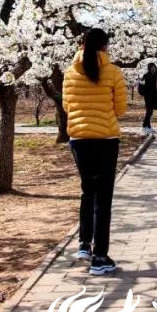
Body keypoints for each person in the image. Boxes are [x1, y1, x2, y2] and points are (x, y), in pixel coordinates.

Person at [62, 28, 127, 275]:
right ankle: (100, 257)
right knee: (103, 198)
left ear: (81, 45)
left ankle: (82, 245)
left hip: (78, 138)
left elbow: (68, 106)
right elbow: (120, 108)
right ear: (105, 47)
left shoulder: (70, 73)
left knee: (87, 192)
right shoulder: (112, 72)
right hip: (105, 139)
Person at [138, 62, 157, 139]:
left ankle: (148, 127)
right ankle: (144, 127)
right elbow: (144, 86)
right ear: (149, 68)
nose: (154, 69)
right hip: (147, 96)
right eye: (152, 67)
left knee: (150, 111)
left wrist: (156, 95)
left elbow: (154, 88)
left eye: (154, 67)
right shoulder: (146, 76)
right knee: (149, 111)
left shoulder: (155, 75)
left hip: (153, 96)